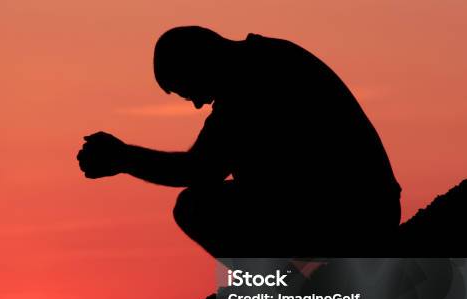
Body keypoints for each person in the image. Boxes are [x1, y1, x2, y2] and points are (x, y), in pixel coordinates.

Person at [77, 26, 402, 257]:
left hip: (352, 216)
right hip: (367, 206)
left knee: (197, 208)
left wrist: (123, 157)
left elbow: (199, 171)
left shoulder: (251, 82)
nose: (197, 104)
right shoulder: (269, 57)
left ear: (198, 63)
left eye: (188, 90)